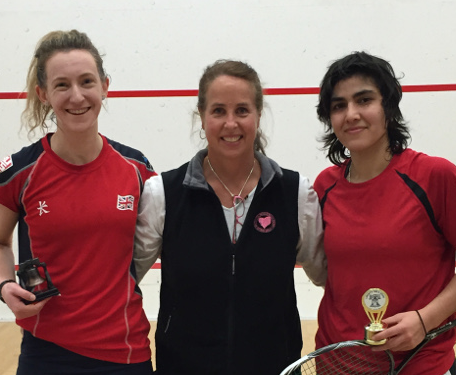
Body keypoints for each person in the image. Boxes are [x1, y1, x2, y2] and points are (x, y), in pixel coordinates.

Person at [134, 59, 327, 375]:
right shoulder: (162, 194)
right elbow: (124, 279)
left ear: (258, 115)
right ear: (202, 116)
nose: (231, 123)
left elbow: (328, 275)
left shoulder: (296, 193)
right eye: (219, 111)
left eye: (242, 110)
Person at [0, 30, 156, 375]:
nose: (77, 96)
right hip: (46, 351)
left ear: (105, 86)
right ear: (43, 94)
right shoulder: (20, 172)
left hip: (125, 349)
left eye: (87, 81)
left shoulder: (138, 171)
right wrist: (5, 286)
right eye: (62, 85)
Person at [313, 51, 456, 375]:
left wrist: (426, 319)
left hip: (419, 363)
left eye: (364, 100)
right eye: (339, 106)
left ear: (388, 107)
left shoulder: (434, 176)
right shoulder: (325, 186)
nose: (351, 114)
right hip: (337, 361)